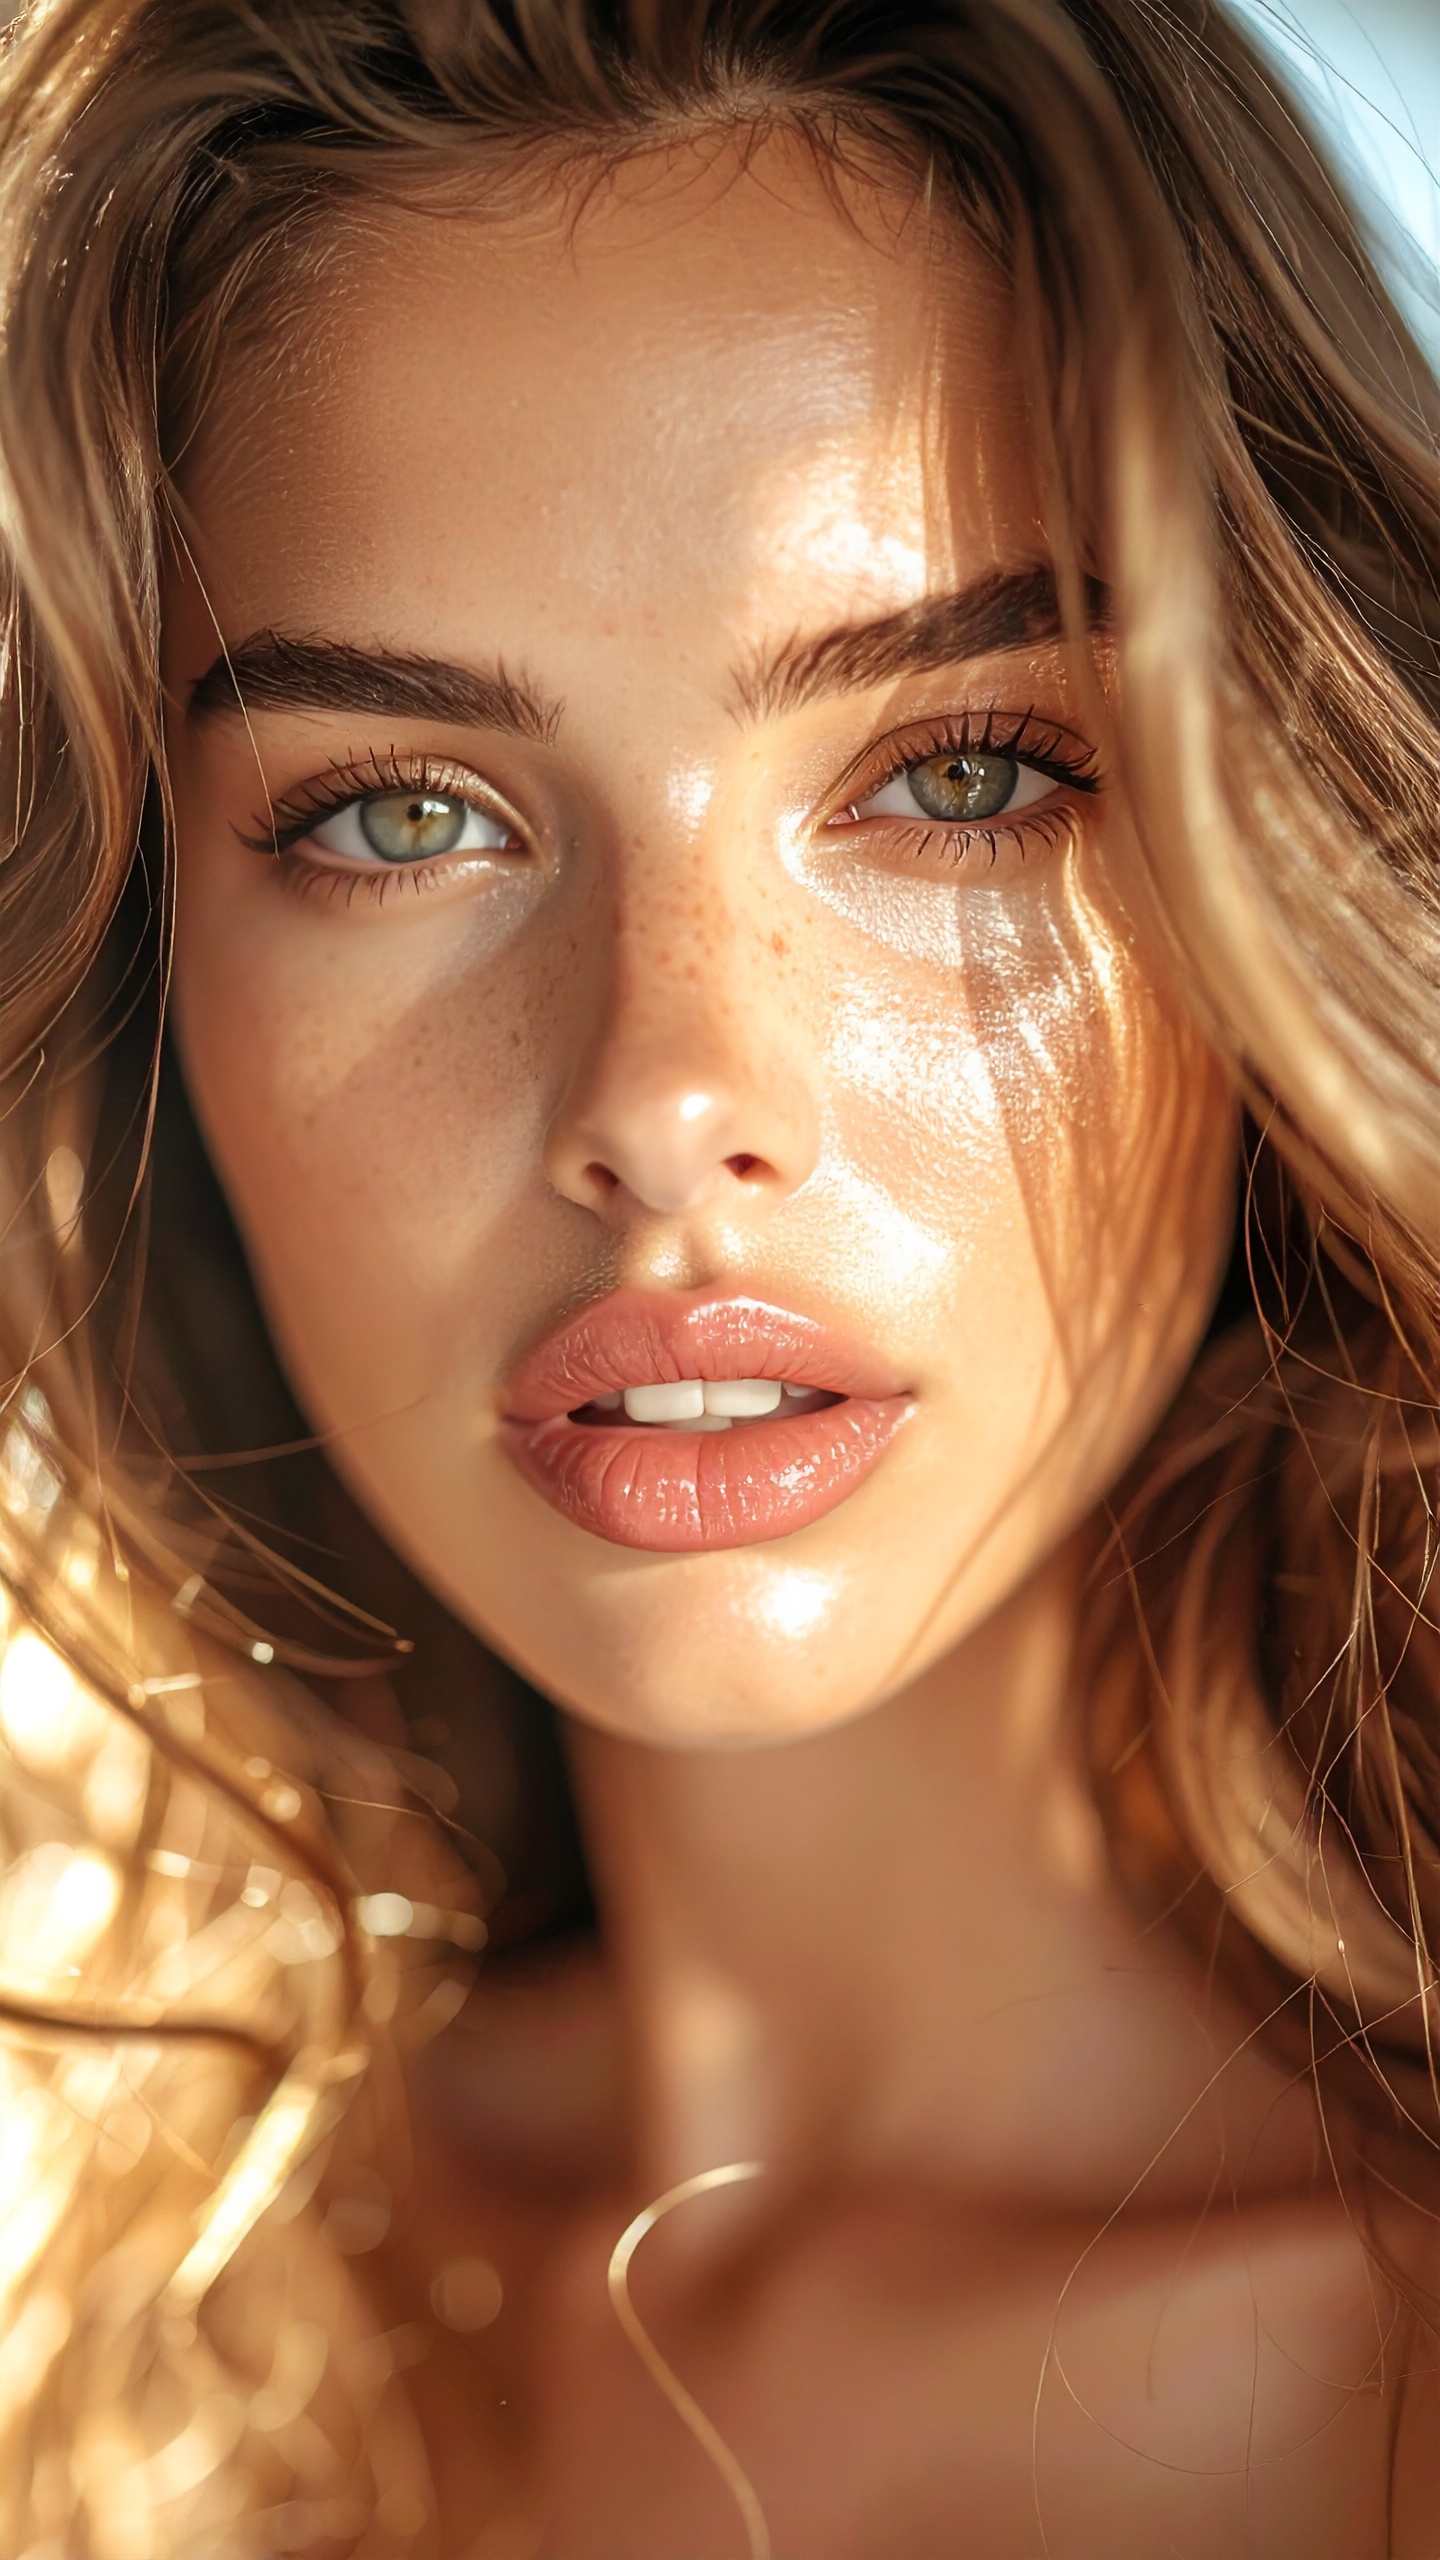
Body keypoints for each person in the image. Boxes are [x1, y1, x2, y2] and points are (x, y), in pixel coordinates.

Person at [0, 0, 1436, 2551]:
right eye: (403, 815)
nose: (664, 1091)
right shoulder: (81, 2315)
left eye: (959, 774)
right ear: (147, 964)